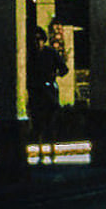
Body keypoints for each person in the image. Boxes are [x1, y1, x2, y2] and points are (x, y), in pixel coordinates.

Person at [28, 25, 68, 163]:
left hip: (49, 89)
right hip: (35, 90)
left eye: (39, 39)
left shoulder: (51, 53)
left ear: (43, 40)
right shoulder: (30, 55)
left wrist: (54, 74)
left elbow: (64, 69)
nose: (37, 42)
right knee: (37, 122)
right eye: (35, 39)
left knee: (50, 121)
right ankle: (40, 151)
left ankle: (51, 150)